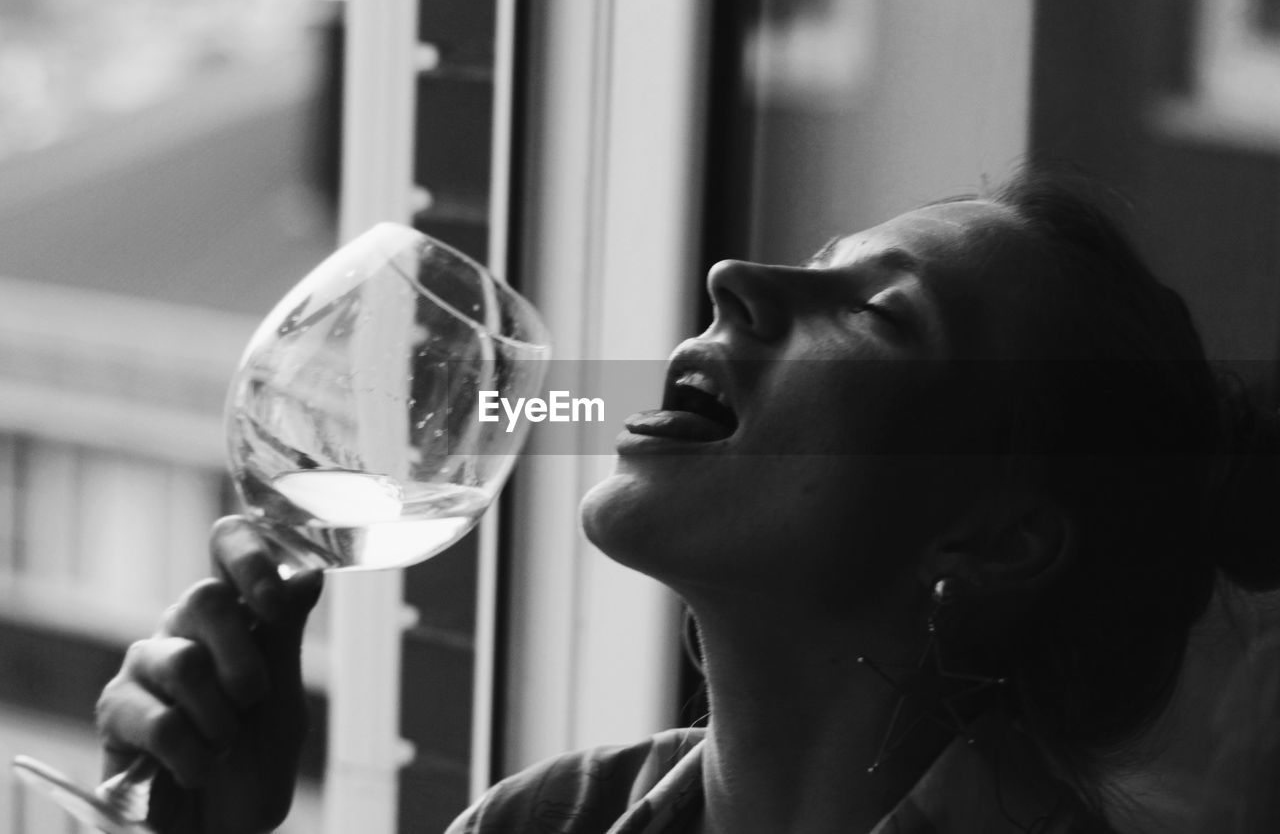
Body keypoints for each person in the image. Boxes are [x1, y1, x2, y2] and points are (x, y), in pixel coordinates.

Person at [94, 173, 1280, 833]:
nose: (733, 279)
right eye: (813, 258)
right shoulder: (548, 819)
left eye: (877, 312)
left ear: (998, 533)